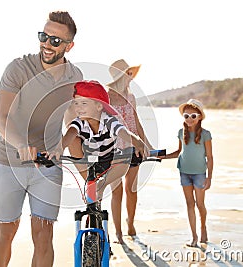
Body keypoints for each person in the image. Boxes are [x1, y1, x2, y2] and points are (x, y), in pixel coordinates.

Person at [0, 11, 83, 267]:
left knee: (44, 234)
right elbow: (2, 119)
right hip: (9, 162)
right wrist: (21, 145)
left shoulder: (74, 77)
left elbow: (74, 119)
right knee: (6, 231)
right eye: (44, 36)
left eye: (55, 40)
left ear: (69, 46)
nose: (47, 44)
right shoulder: (18, 68)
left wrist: (63, 143)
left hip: (48, 168)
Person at [49, 80, 147, 200]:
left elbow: (122, 131)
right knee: (73, 140)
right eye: (76, 103)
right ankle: (91, 184)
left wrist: (136, 140)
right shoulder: (80, 122)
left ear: (99, 106)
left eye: (84, 103)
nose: (78, 108)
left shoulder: (108, 120)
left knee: (125, 160)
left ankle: (101, 185)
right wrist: (60, 148)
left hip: (110, 161)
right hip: (87, 163)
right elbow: (71, 132)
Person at [106, 59, 155, 244]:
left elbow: (136, 121)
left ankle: (130, 223)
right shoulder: (107, 97)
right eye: (128, 74)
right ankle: (118, 232)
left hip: (134, 147)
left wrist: (146, 144)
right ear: (120, 76)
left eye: (131, 74)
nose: (131, 78)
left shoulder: (131, 96)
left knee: (132, 189)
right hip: (114, 149)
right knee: (116, 191)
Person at [160, 99, 213, 247]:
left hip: (200, 174)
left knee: (200, 204)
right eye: (186, 116)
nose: (189, 119)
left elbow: (210, 157)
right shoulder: (180, 133)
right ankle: (194, 237)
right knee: (190, 204)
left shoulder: (205, 134)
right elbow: (178, 152)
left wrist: (209, 177)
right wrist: (163, 157)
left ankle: (203, 228)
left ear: (200, 117)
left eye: (193, 116)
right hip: (184, 172)